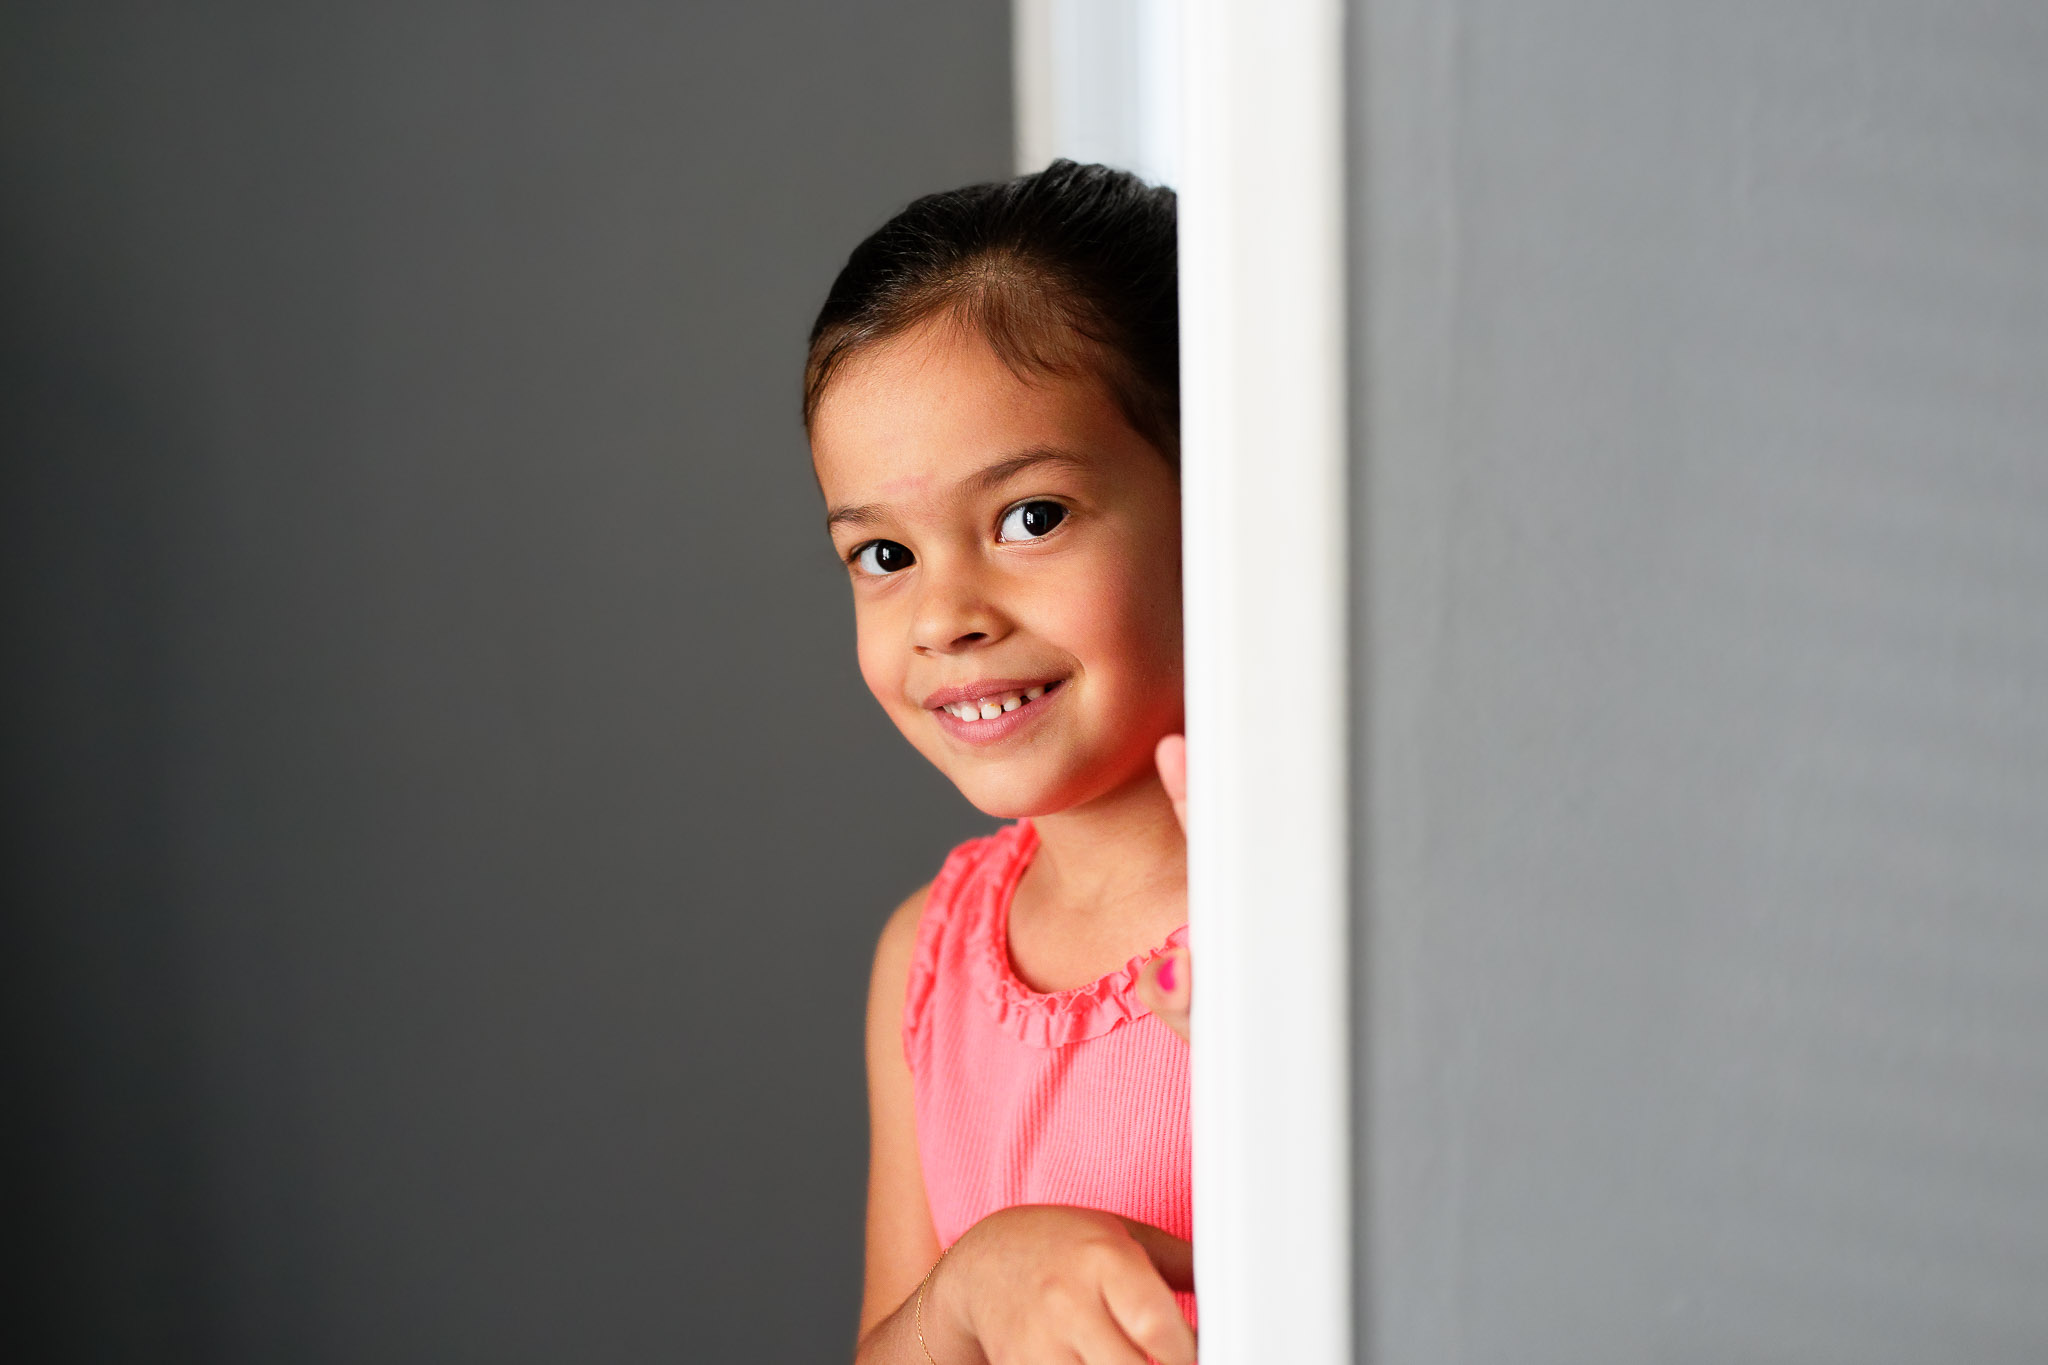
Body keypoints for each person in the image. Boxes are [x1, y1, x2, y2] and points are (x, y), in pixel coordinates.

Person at [804, 160, 1198, 1365]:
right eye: (881, 555)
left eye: (1030, 517)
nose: (944, 616)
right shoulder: (921, 963)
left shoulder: (1307, 916)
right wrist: (969, 1289)